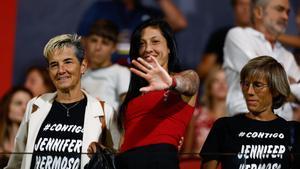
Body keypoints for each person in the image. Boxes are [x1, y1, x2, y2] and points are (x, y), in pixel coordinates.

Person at [5, 34, 119, 169]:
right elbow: (17, 161)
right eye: (54, 65)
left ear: (83, 66)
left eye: (68, 62)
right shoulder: (35, 105)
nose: (61, 70)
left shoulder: (104, 112)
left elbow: (117, 159)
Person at [114, 19, 199, 169]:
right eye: (141, 44)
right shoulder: (133, 94)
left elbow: (190, 84)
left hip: (158, 161)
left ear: (169, 48)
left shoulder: (183, 79)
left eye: (155, 41)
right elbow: (124, 142)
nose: (147, 49)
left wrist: (171, 83)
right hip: (125, 163)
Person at [201, 56, 293, 169]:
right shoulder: (224, 126)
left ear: (275, 90)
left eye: (257, 85)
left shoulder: (292, 131)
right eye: (245, 84)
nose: (249, 92)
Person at [223, 0, 300, 120]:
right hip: (246, 125)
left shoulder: (287, 56)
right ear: (259, 12)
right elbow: (260, 75)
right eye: (279, 9)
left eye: (288, 12)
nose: (285, 16)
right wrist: (288, 85)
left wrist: (279, 82)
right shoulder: (238, 36)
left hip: (281, 130)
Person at [77, 0, 187, 66]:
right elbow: (82, 41)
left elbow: (179, 23)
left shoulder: (150, 13)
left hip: (139, 73)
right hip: (104, 70)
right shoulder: (101, 8)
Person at [81, 19, 130, 111]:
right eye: (94, 40)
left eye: (105, 43)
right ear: (86, 42)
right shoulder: (80, 74)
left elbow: (129, 111)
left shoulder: (121, 72)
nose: (98, 47)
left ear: (114, 47)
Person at [196, 0, 251, 82]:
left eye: (249, 4)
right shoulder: (221, 36)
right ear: (234, 7)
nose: (245, 8)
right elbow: (203, 71)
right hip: (226, 87)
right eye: (241, 4)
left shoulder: (265, 37)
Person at [182, 66, 228, 158]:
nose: (221, 84)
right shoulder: (196, 114)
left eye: (226, 80)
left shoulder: (239, 117)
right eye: (216, 80)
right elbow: (186, 153)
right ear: (209, 87)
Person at [0, 87, 32, 168]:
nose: (24, 108)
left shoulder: (35, 145)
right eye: (18, 103)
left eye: (29, 104)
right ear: (7, 108)